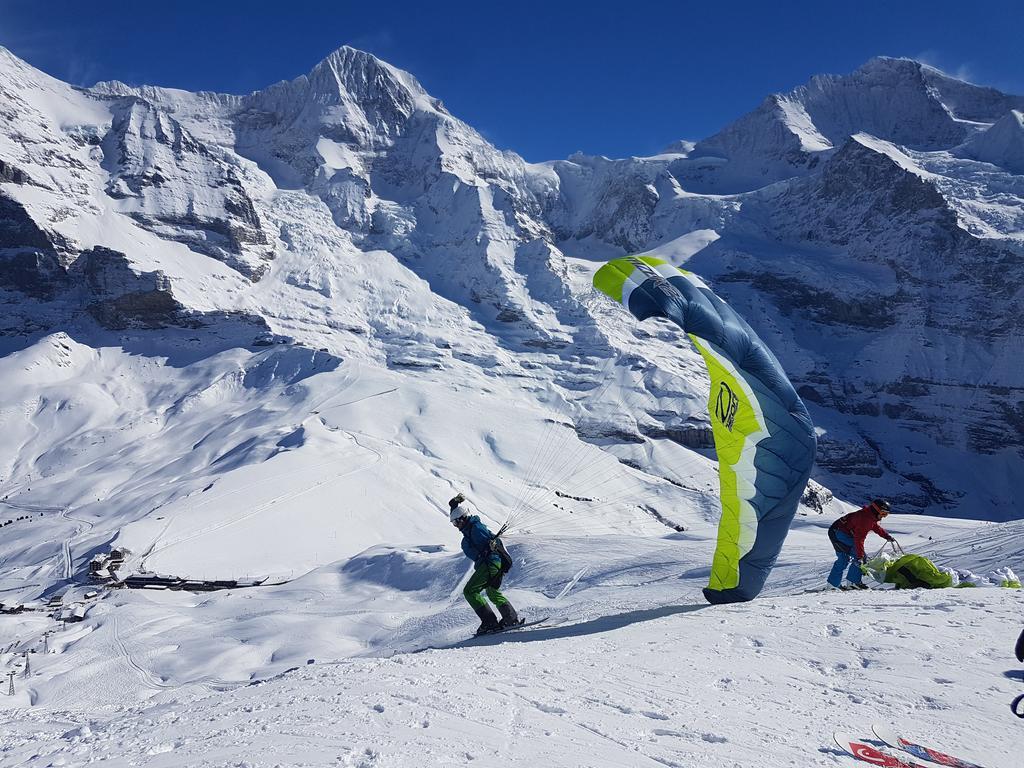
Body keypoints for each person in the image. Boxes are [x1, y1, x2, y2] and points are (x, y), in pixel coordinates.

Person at [449, 493, 520, 635]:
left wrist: (490, 546)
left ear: (463, 519)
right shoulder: (470, 530)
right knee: (492, 592)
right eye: (453, 523)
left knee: (469, 591)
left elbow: (490, 542)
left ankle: (489, 623)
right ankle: (510, 619)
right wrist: (453, 504)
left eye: (456, 522)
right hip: (494, 563)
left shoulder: (476, 528)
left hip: (490, 563)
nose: (456, 526)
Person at [827, 498, 897, 590]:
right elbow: (859, 539)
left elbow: (875, 527)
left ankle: (835, 585)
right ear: (876, 510)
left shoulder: (869, 516)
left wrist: (886, 536)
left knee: (847, 558)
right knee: (857, 557)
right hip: (838, 533)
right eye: (883, 513)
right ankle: (852, 583)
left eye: (886, 514)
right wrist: (860, 556)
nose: (883, 516)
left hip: (840, 531)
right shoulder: (865, 519)